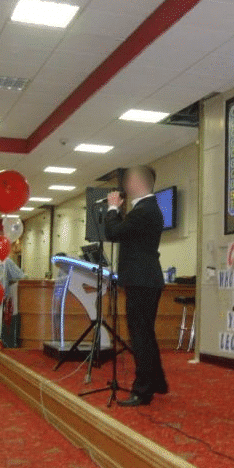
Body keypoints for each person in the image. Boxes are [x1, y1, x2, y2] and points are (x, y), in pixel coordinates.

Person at [105, 165, 168, 407]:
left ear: (138, 184)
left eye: (129, 181)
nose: (126, 186)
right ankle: (157, 382)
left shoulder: (144, 210)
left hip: (142, 281)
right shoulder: (146, 209)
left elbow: (113, 232)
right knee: (146, 334)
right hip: (145, 280)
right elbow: (126, 233)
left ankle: (142, 390)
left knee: (140, 336)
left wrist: (112, 208)